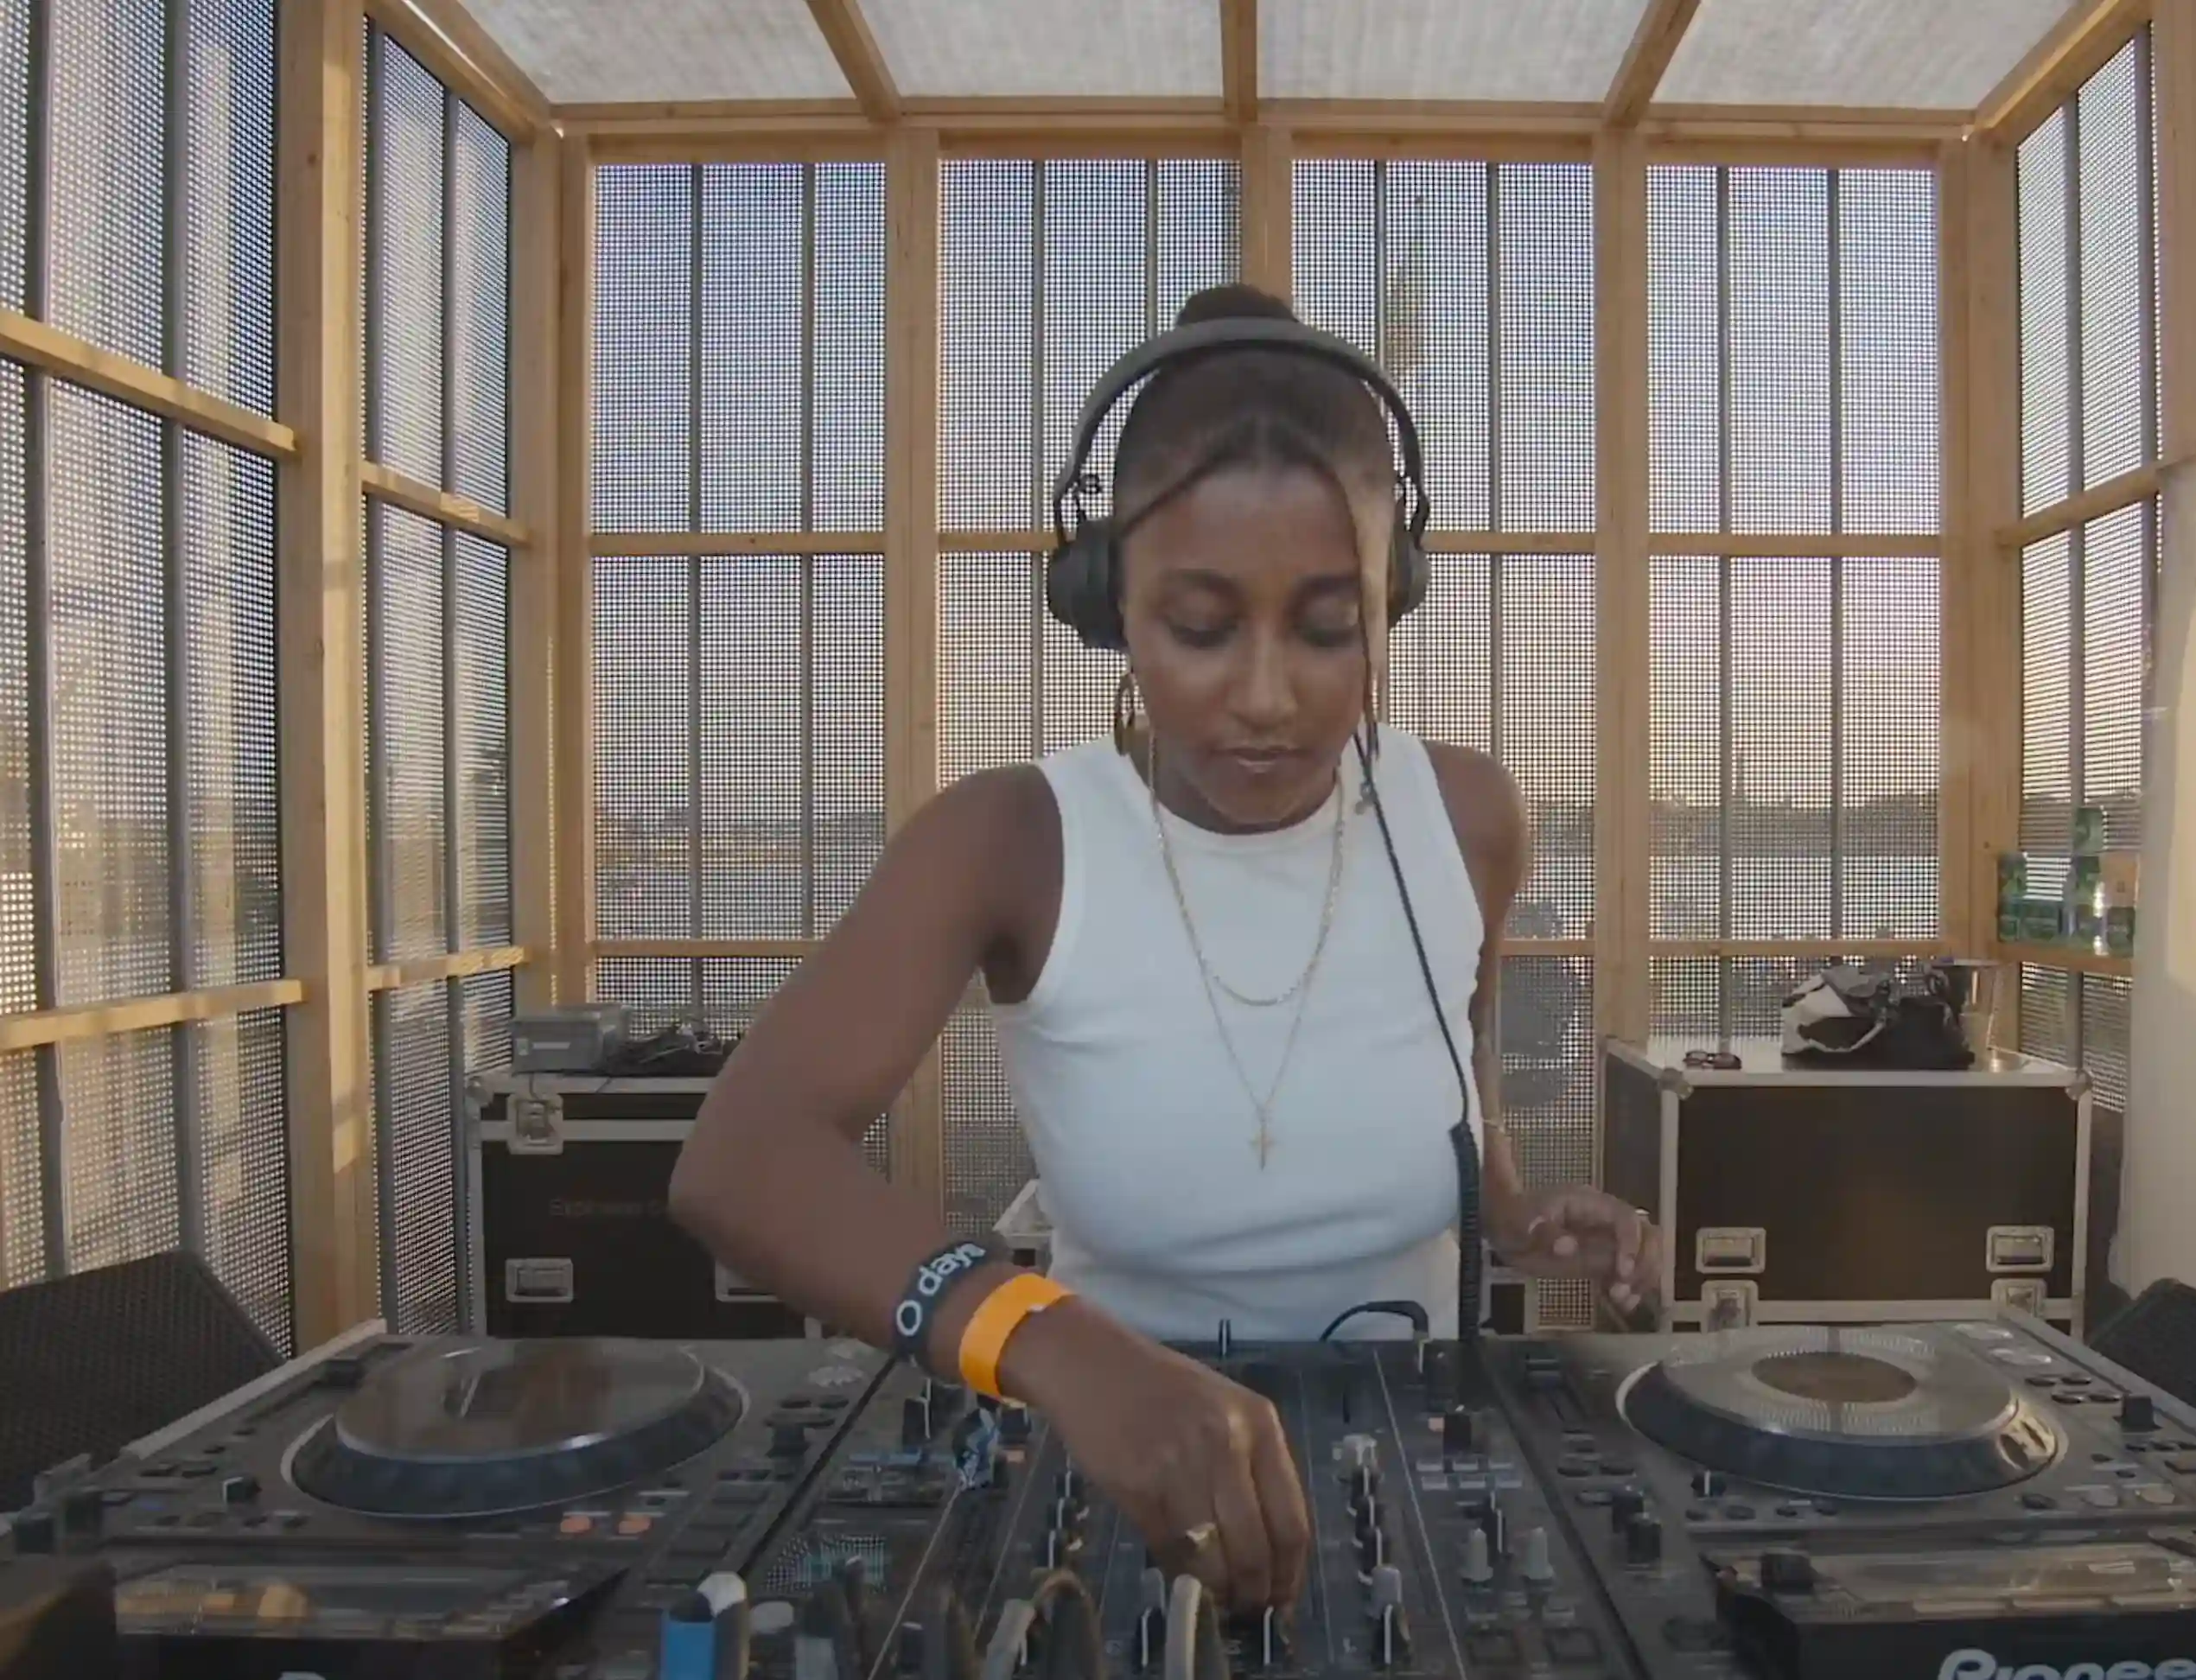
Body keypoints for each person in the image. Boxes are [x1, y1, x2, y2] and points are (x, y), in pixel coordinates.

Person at [670, 283, 1665, 1614]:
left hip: (1411, 1455)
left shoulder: (1471, 819)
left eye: (1328, 628)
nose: (1265, 694)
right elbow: (741, 1160)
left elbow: (1461, 1101)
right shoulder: (1009, 837)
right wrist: (1060, 1352)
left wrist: (1524, 1214)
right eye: (1199, 626)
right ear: (1110, 607)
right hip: (1108, 1475)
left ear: (1393, 599)